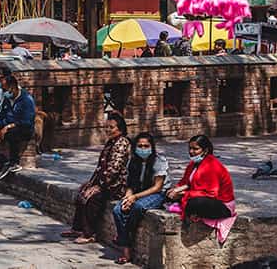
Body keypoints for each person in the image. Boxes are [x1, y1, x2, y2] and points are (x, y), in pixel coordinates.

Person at [62, 112, 132, 244]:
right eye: (107, 127)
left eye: (111, 127)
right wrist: (91, 183)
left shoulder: (122, 143)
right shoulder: (111, 142)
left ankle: (90, 233)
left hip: (115, 186)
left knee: (92, 198)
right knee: (83, 191)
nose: (108, 130)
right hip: (104, 182)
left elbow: (113, 170)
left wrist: (99, 186)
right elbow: (101, 167)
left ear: (120, 129)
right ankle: (77, 228)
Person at [113, 131, 169, 264]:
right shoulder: (133, 162)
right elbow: (130, 185)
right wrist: (128, 198)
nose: (143, 149)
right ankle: (126, 250)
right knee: (117, 210)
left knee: (138, 207)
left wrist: (134, 198)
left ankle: (124, 236)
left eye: (146, 146)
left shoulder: (159, 161)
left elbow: (157, 187)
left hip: (157, 194)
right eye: (140, 146)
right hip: (139, 193)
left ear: (151, 147)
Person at [166, 135, 235, 226]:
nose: (191, 152)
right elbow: (186, 182)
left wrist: (183, 194)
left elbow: (211, 194)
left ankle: (186, 208)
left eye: (195, 149)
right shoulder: (193, 164)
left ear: (205, 151)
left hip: (221, 204)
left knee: (195, 203)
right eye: (190, 148)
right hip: (197, 195)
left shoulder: (212, 166)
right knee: (167, 193)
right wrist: (176, 189)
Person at [0, 72, 35, 178]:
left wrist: (8, 126)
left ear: (13, 87)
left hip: (23, 128)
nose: (4, 92)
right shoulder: (7, 99)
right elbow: (2, 115)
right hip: (7, 126)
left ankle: (14, 162)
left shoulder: (26, 100)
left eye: (5, 90)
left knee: (12, 134)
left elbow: (26, 121)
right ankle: (3, 161)